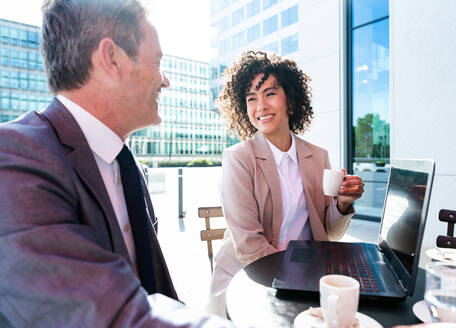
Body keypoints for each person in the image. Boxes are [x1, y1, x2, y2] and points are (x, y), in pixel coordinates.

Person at [0, 0, 233, 327]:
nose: (166, 81)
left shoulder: (127, 165)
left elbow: (155, 295)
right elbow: (105, 316)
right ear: (112, 58)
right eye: (158, 62)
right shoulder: (13, 156)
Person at [208, 50, 365, 316]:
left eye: (269, 94)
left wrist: (342, 204)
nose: (261, 106)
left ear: (290, 101)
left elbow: (330, 233)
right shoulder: (238, 159)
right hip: (247, 280)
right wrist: (299, 286)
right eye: (251, 98)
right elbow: (249, 246)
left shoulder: (318, 156)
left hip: (304, 277)